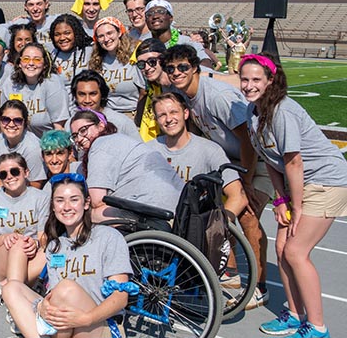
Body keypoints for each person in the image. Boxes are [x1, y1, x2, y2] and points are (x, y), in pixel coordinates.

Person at [240, 54, 347, 338]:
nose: (249, 85)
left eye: (256, 80)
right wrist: (280, 200)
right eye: (245, 79)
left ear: (270, 81)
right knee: (281, 249)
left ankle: (317, 327)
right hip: (297, 185)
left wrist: (296, 208)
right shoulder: (253, 113)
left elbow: (293, 162)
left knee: (296, 251)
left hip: (326, 181)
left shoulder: (281, 111)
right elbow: (271, 160)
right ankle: (296, 315)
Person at [163, 44, 272, 308]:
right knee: (213, 209)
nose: (177, 72)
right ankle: (231, 274)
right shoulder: (183, 94)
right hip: (233, 160)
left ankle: (260, 286)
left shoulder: (216, 95)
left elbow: (248, 138)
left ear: (195, 68)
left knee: (246, 213)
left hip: (260, 158)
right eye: (171, 68)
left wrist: (244, 181)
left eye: (183, 67)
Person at [2, 173, 131, 338]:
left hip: (99, 325)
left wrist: (86, 319)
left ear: (86, 203)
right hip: (66, 326)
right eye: (60, 200)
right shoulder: (54, 247)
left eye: (74, 199)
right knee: (11, 288)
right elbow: (55, 297)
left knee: (66, 288)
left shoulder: (109, 237)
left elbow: (120, 298)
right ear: (53, 206)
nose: (67, 207)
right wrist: (41, 307)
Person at [70, 109, 183, 226]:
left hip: (154, 212)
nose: (79, 138)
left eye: (83, 130)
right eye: (74, 136)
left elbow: (97, 200)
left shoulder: (100, 145)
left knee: (85, 214)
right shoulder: (121, 140)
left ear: (101, 126)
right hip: (177, 207)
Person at [150, 92, 248, 221]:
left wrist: (216, 227)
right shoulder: (147, 151)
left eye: (174, 112)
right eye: (162, 115)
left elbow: (238, 196)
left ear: (185, 113)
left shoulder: (209, 150)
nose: (168, 119)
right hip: (156, 225)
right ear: (156, 119)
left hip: (194, 226)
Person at [0, 152, 50, 310]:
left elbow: (44, 238)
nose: (9, 177)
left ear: (26, 173)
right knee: (18, 243)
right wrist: (5, 238)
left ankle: (3, 288)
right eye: (3, 174)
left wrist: (35, 243)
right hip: (0, 258)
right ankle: (18, 306)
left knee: (55, 251)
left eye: (15, 171)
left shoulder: (41, 198)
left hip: (32, 258)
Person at [0, 42, 70, 138]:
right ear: (20, 63)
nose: (31, 63)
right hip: (17, 139)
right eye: (26, 59)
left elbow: (59, 126)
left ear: (45, 64)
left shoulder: (53, 82)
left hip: (47, 142)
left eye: (37, 60)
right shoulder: (11, 83)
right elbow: (4, 120)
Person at [0, 100, 48, 188]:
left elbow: (36, 184)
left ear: (25, 123)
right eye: (6, 119)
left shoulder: (33, 147)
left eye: (17, 120)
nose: (11, 124)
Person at [89, 16, 145, 115]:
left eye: (109, 33)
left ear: (119, 33)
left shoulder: (134, 55)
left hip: (133, 112)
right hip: (107, 114)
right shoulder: (96, 61)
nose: (106, 39)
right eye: (101, 36)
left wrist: (138, 119)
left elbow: (144, 91)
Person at [143, 0, 213, 68]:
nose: (155, 16)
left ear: (171, 18)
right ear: (146, 20)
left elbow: (206, 63)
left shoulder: (188, 42)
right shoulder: (143, 45)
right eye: (150, 14)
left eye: (161, 12)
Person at [133, 38, 170, 142]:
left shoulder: (177, 82)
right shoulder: (153, 87)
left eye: (152, 62)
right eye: (141, 64)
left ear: (163, 60)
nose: (147, 68)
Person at [47, 14, 93, 94]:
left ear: (76, 33)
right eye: (57, 34)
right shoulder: (50, 55)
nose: (62, 38)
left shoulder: (90, 52)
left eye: (67, 33)